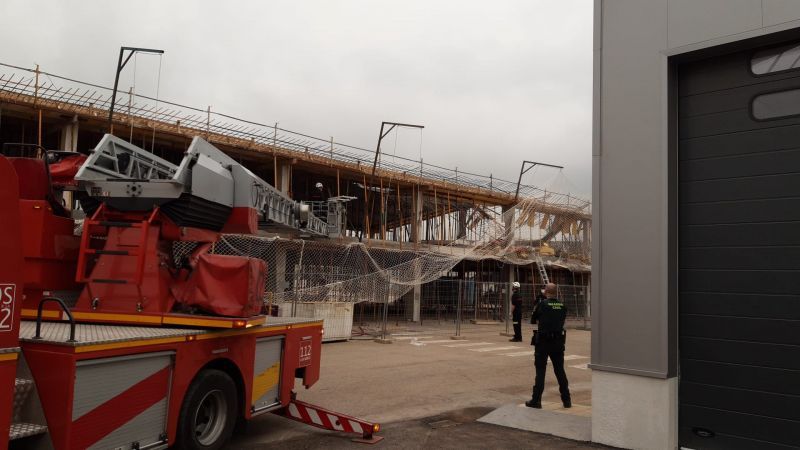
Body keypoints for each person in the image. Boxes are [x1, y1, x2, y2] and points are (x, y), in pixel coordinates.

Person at [526, 282, 571, 409]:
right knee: (560, 371)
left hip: (544, 343)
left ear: (545, 291)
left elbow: (533, 320)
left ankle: (536, 400)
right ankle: (567, 400)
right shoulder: (562, 306)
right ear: (555, 292)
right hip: (558, 342)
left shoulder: (542, 304)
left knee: (540, 371)